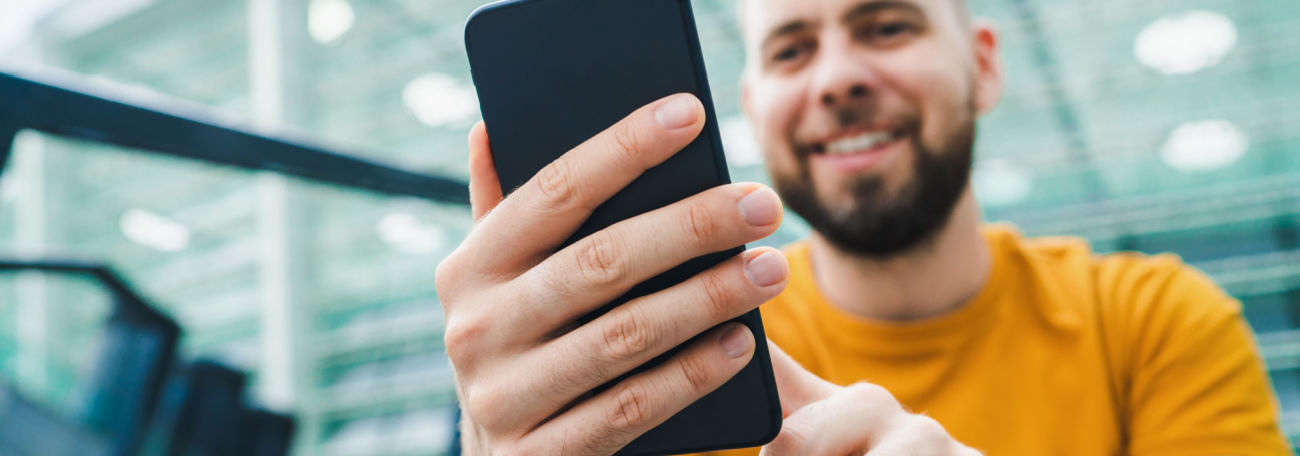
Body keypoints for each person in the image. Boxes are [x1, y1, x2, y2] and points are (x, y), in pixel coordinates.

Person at [434, 0, 1292, 454]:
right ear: (754, 112)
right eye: (792, 50)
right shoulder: (677, 349)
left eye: (887, 25)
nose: (838, 77)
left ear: (983, 65)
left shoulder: (1157, 322)